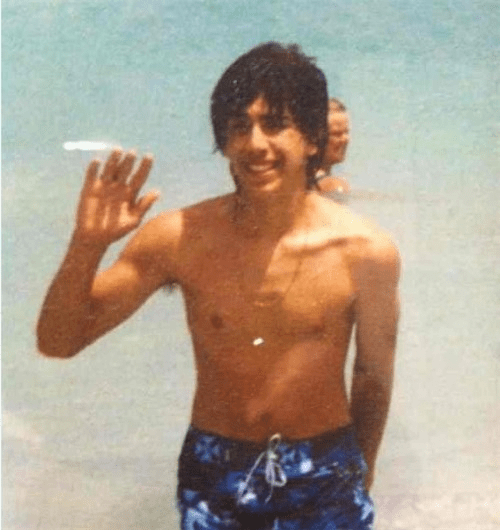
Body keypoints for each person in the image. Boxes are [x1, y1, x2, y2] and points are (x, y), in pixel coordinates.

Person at [37, 42, 400, 529]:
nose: (255, 144)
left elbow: (372, 376)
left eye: (275, 124)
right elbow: (58, 341)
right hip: (216, 470)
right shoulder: (178, 238)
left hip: (326, 469)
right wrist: (87, 245)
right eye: (238, 126)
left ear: (313, 138)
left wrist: (361, 470)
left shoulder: (366, 251)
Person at [315, 98, 351, 202]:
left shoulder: (295, 182)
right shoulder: (333, 186)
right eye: (336, 134)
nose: (345, 139)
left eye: (346, 132)